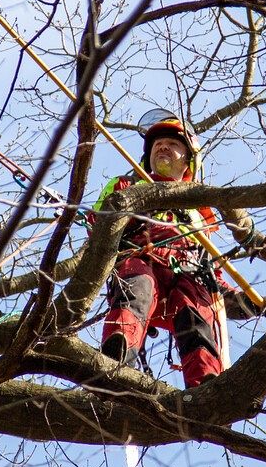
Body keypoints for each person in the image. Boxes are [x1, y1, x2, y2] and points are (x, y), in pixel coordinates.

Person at [94, 116, 231, 387]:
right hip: (141, 257)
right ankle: (118, 351)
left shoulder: (201, 215)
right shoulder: (128, 186)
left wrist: (239, 298)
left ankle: (205, 380)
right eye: (158, 144)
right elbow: (99, 223)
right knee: (137, 288)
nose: (163, 148)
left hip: (188, 273)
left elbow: (213, 268)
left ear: (188, 160)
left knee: (195, 313)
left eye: (172, 144)